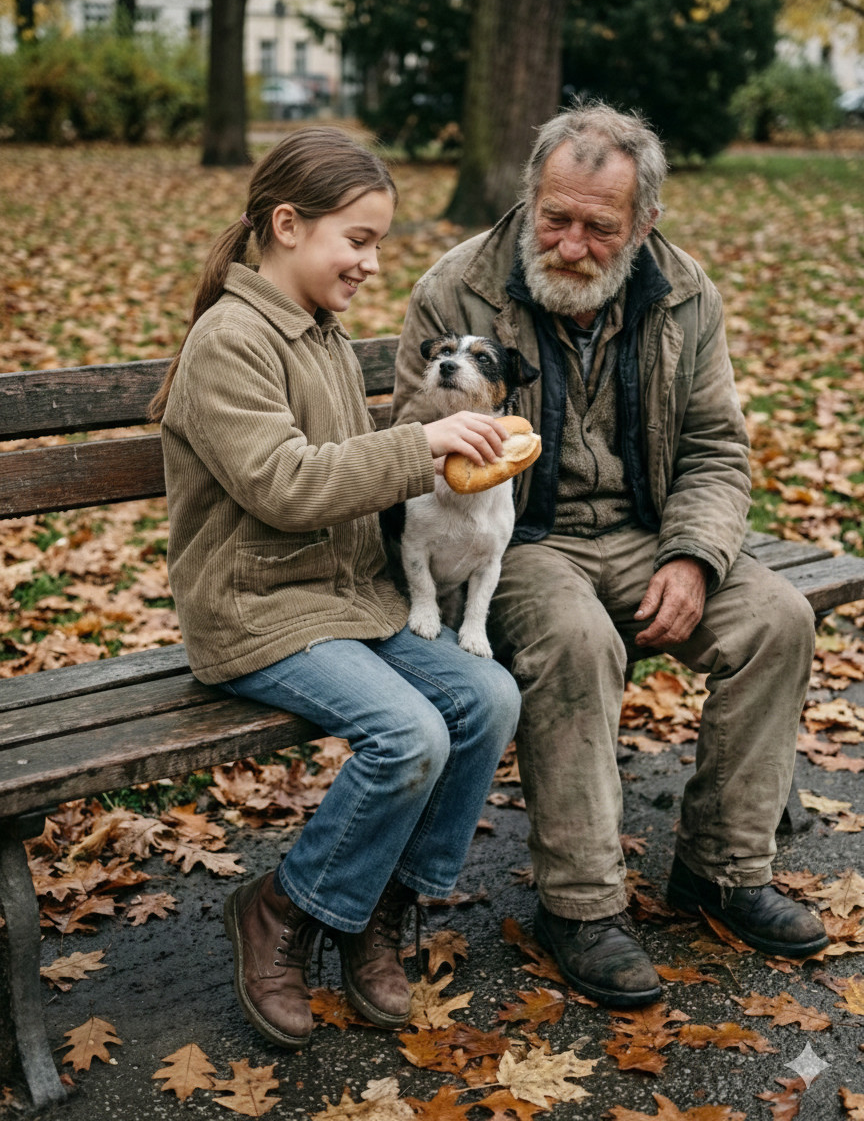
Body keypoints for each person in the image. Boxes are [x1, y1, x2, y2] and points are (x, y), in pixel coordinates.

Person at [390, 101, 828, 1010]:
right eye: (556, 217)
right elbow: (403, 435)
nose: (573, 245)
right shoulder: (456, 284)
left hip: (647, 532)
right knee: (578, 642)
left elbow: (715, 445)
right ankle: (581, 907)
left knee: (778, 619)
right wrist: (451, 431)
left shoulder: (682, 289)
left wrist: (697, 557)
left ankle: (720, 869)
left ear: (644, 225)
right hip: (517, 539)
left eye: (601, 227)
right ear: (531, 198)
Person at [148, 127, 521, 1049]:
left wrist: (452, 441)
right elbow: (287, 484)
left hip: (342, 597)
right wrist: (421, 444)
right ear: (286, 225)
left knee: (489, 696)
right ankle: (281, 909)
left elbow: (359, 468)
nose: (371, 262)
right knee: (409, 733)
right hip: (256, 609)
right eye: (358, 239)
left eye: (378, 244)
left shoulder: (319, 332)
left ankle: (371, 912)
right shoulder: (230, 341)